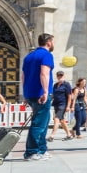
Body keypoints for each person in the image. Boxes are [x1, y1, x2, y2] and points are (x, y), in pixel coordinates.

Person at [21, 33, 55, 161]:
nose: (53, 44)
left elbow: (23, 76)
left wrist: (25, 93)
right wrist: (45, 92)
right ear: (49, 42)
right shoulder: (47, 55)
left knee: (44, 122)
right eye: (53, 41)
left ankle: (41, 149)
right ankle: (31, 152)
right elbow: (44, 73)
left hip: (30, 93)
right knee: (38, 124)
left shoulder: (29, 56)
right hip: (41, 94)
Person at [50, 71, 75, 141]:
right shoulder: (55, 85)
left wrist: (68, 106)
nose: (60, 77)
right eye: (58, 75)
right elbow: (53, 95)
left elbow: (69, 96)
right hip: (56, 104)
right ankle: (69, 135)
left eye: (61, 75)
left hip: (63, 104)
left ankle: (52, 136)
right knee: (62, 121)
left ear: (63, 76)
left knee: (56, 119)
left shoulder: (66, 84)